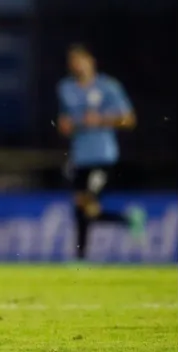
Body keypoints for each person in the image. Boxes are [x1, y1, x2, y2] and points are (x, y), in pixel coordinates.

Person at [56, 43, 146, 261]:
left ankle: (82, 255)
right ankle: (82, 256)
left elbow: (129, 119)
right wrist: (65, 125)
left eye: (81, 60)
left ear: (91, 61)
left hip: (102, 156)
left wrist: (101, 120)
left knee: (87, 203)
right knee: (83, 209)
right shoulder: (66, 88)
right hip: (80, 156)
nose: (78, 66)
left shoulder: (108, 87)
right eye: (74, 62)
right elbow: (64, 122)